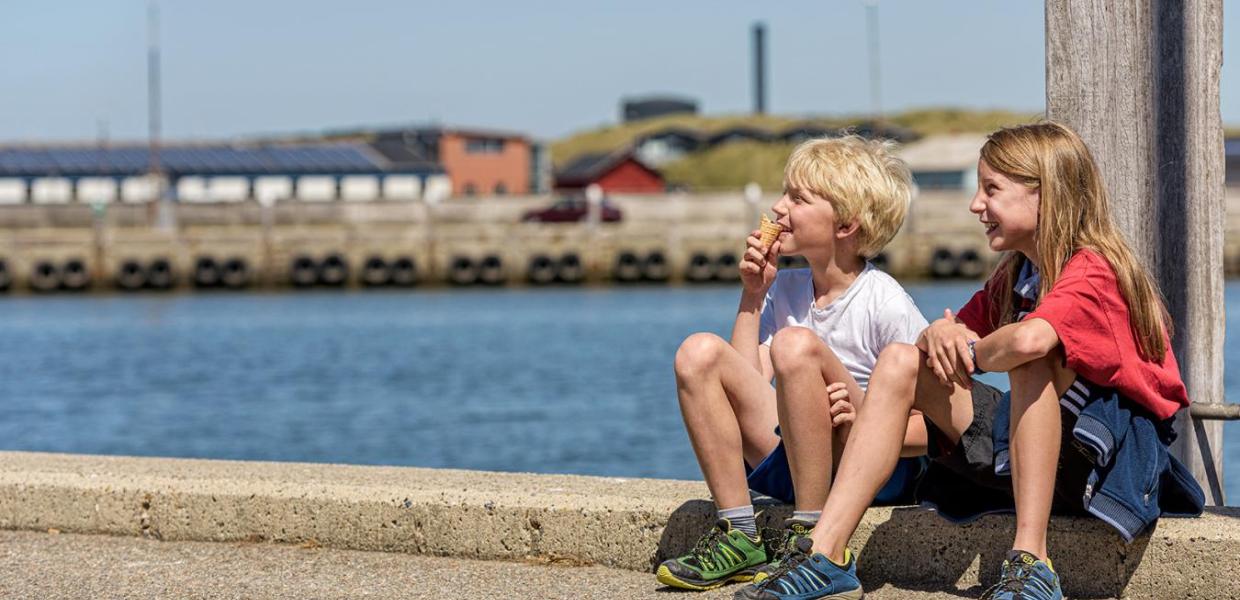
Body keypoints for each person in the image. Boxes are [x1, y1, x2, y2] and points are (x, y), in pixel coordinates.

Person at [740, 121, 1204, 600]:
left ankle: (1032, 562)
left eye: (992, 190)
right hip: (1022, 454)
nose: (975, 205)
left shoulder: (1093, 272)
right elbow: (937, 340)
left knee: (1030, 357)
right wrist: (943, 333)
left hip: (1105, 463)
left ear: (1046, 195)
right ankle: (827, 553)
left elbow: (1024, 343)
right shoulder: (1018, 275)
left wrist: (968, 350)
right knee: (900, 359)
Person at [657, 135, 930, 591]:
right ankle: (740, 535)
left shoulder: (885, 302)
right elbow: (749, 383)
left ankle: (811, 537)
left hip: (864, 473)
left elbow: (932, 430)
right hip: (791, 459)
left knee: (795, 345)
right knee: (697, 352)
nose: (779, 207)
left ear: (845, 226)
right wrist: (753, 294)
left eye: (798, 198)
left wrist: (864, 415)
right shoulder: (784, 289)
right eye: (784, 193)